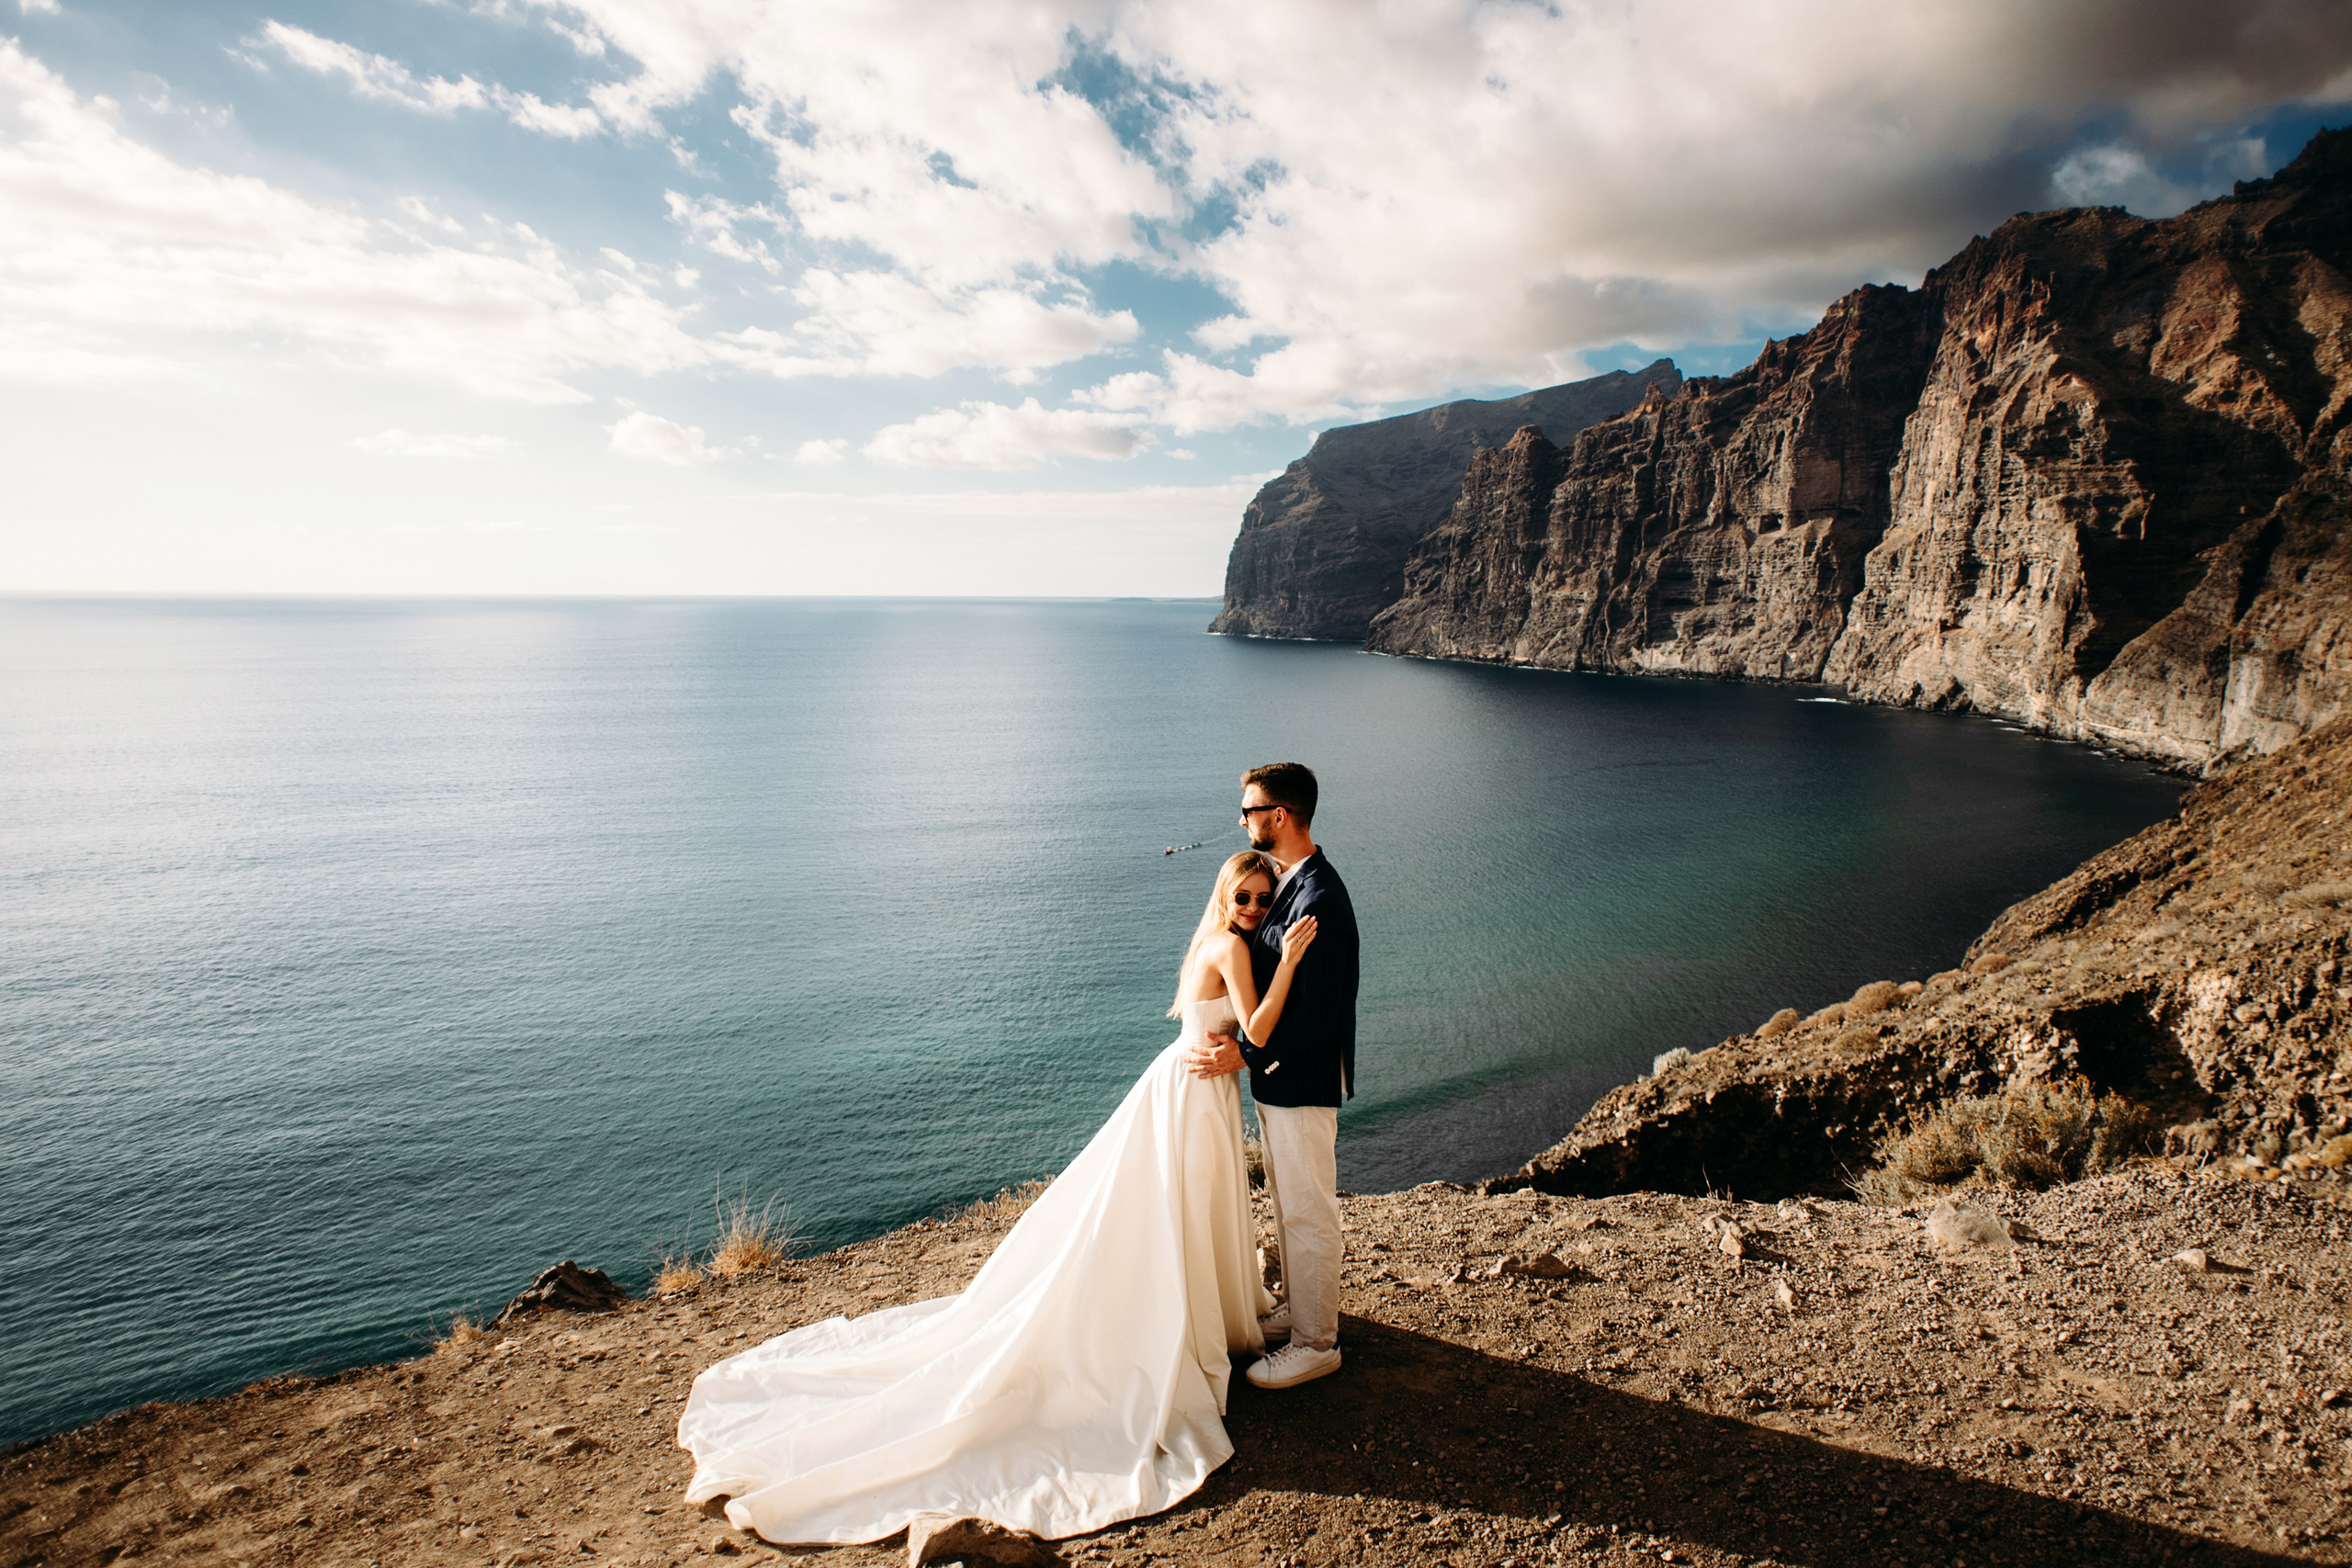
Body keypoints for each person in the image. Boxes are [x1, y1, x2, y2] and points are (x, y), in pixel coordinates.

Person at [676, 852, 1318, 1545]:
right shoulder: (1232, 944)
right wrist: (1288, 962)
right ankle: (1195, 1324)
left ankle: (1208, 1318)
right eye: (1244, 898)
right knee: (1183, 1210)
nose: (1253, 910)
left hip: (1190, 1087)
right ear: (1227, 896)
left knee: (1179, 1212)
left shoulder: (1217, 939)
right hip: (1195, 1095)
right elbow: (1253, 1031)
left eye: (1261, 900)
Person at [1186, 762, 1359, 1391]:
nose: (1242, 820)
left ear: (1278, 815)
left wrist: (1249, 1055)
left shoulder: (1319, 899)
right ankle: (1303, 1312)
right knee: (1289, 1204)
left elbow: (1317, 1014)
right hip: (1282, 1081)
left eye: (1249, 809)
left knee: (1309, 1210)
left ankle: (1318, 1342)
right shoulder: (1289, 883)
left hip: (1301, 1081)